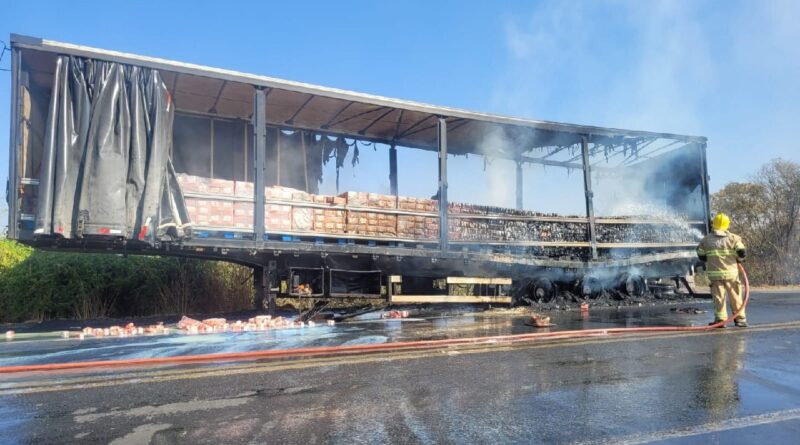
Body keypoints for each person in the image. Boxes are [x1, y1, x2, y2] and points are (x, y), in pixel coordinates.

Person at [696, 213, 747, 327]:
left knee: (718, 298)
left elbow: (700, 254)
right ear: (727, 225)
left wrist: (706, 257)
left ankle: (720, 320)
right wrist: (740, 259)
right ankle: (740, 319)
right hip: (731, 274)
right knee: (735, 297)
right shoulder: (734, 238)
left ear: (713, 224)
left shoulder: (706, 240)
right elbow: (742, 251)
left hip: (715, 275)